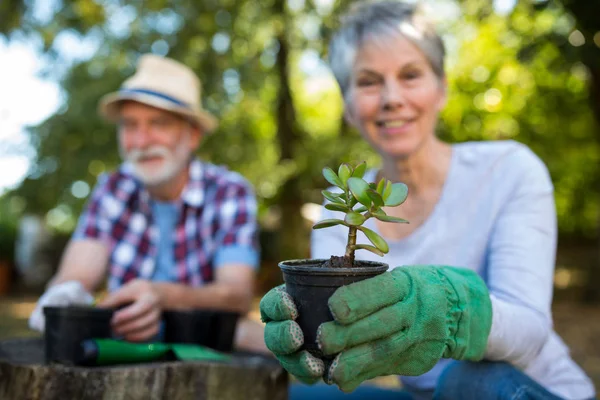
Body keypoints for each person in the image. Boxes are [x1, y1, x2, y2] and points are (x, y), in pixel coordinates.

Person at [259, 1, 597, 399]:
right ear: (348, 105)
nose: (391, 98)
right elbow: (333, 341)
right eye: (368, 81)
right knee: (288, 394)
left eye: (411, 75)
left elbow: (530, 333)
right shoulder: (341, 202)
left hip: (526, 388)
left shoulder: (509, 171)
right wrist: (310, 337)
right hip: (432, 397)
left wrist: (453, 309)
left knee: (469, 380)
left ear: (442, 87)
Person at [29, 54, 267, 352]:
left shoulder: (229, 191)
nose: (141, 141)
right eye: (130, 125)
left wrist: (161, 295)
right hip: (124, 348)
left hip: (210, 351)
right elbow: (77, 273)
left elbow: (236, 294)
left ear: (192, 135)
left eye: (159, 123)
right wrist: (64, 294)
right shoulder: (112, 189)